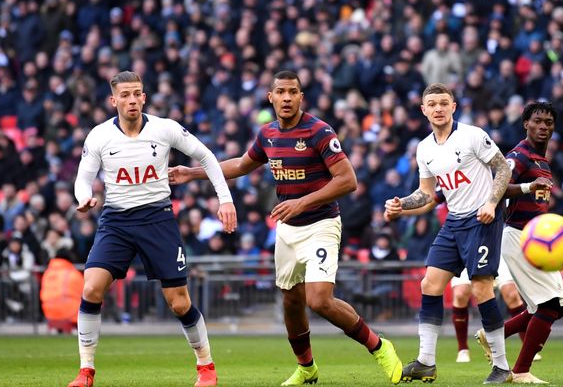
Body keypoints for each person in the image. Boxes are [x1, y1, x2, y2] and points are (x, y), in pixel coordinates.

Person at [168, 70, 403, 386]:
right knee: (291, 301)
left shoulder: (319, 132)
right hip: (288, 230)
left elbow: (348, 181)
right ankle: (307, 368)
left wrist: (302, 202)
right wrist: (192, 173)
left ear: (301, 97)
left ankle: (378, 346)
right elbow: (240, 165)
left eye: (293, 91)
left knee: (319, 300)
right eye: (281, 91)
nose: (287, 97)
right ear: (271, 97)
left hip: (321, 224)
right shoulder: (268, 134)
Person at [69, 71, 236, 387]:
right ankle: (86, 371)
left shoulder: (165, 128)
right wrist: (84, 197)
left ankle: (206, 367)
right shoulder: (99, 136)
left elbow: (207, 157)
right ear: (113, 99)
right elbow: (82, 178)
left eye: (137, 94)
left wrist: (224, 200)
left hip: (158, 220)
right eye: (125, 95)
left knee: (179, 302)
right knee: (91, 288)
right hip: (116, 221)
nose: (132, 100)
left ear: (144, 97)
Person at [384, 83, 513, 384]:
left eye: (444, 103)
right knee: (430, 284)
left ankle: (502, 367)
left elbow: (503, 168)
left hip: (483, 221)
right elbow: (427, 195)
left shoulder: (472, 135)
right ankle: (426, 362)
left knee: (481, 290)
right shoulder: (424, 148)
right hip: (454, 222)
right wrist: (401, 205)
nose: (439, 108)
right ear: (424, 110)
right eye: (433, 104)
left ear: (454, 106)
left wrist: (492, 203)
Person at [475, 101, 563, 384]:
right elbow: (499, 185)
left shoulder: (542, 161)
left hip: (536, 239)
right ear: (525, 124)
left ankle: (493, 335)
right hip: (517, 235)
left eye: (548, 123)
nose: (543, 126)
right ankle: (521, 371)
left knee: (556, 306)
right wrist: (527, 187)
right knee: (549, 305)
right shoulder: (520, 155)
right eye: (537, 121)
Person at [388, 193, 539, 364]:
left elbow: (507, 186)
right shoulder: (446, 180)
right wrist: (401, 210)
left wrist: (524, 189)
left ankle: (515, 352)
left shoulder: (490, 174)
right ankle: (459, 350)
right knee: (458, 293)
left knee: (509, 294)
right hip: (460, 238)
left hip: (493, 237)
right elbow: (430, 197)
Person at [40, 248, 83, 333]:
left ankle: (56, 329)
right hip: (69, 312)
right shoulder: (72, 273)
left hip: (48, 311)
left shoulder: (48, 272)